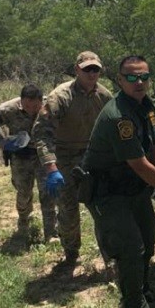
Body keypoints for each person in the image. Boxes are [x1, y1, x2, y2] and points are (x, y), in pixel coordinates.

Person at [82, 55, 155, 308]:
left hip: (135, 187)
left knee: (148, 237)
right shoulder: (119, 116)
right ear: (119, 80)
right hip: (108, 192)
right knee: (130, 247)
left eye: (143, 76)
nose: (138, 82)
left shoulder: (149, 108)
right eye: (131, 77)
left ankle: (141, 289)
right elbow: (139, 164)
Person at [32, 51, 112, 264]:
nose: (91, 73)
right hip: (64, 158)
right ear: (77, 70)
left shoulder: (104, 96)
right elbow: (41, 133)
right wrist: (51, 167)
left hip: (92, 158)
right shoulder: (60, 96)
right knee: (68, 212)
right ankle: (71, 254)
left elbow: (114, 127)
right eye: (87, 69)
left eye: (95, 69)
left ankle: (110, 257)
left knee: (103, 209)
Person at [0, 84, 57, 241]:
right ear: (21, 101)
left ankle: (51, 232)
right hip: (20, 156)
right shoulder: (7, 110)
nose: (31, 110)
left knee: (48, 193)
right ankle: (24, 218)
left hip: (43, 156)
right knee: (24, 192)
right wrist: (2, 143)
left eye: (35, 107)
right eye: (27, 106)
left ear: (41, 101)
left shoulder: (50, 106)